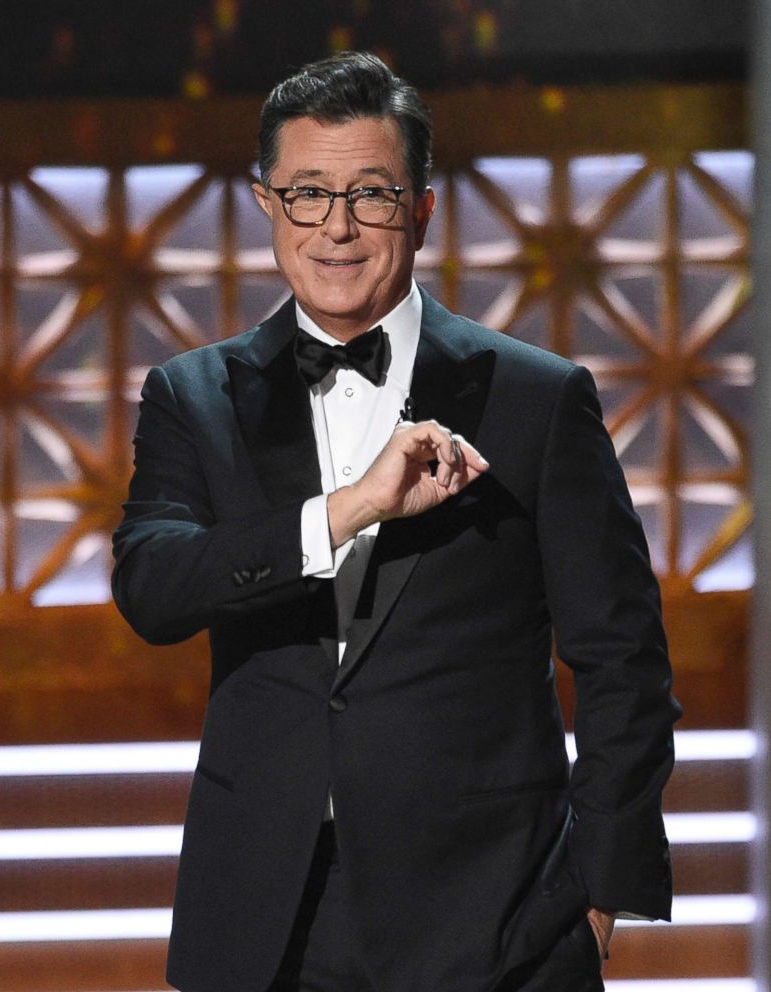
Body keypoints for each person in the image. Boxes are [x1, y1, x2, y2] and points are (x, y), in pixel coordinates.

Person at [112, 51, 680, 992]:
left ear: (420, 208)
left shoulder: (536, 399)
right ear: (266, 205)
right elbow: (153, 587)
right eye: (307, 193)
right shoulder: (193, 397)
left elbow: (626, 663)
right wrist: (350, 511)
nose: (336, 227)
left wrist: (597, 901)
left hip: (496, 922)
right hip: (264, 920)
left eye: (371, 194)